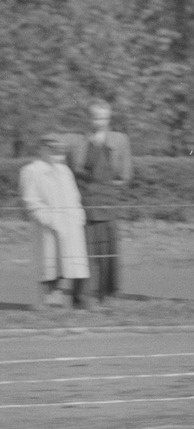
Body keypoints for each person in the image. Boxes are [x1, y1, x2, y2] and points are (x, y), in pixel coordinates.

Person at [69, 99, 133, 303]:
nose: (101, 121)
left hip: (107, 203)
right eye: (97, 117)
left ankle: (108, 295)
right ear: (89, 118)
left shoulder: (120, 140)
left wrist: (109, 188)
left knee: (108, 252)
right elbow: (73, 173)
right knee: (84, 252)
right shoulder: (78, 143)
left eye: (105, 117)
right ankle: (81, 297)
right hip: (85, 203)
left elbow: (125, 174)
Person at [20, 133, 90, 308]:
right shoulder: (31, 171)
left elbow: (75, 195)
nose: (58, 155)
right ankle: (47, 300)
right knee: (49, 263)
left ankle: (73, 301)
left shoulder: (64, 171)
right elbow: (31, 201)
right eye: (53, 151)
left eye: (60, 151)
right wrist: (48, 219)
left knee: (71, 262)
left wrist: (78, 215)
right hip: (48, 226)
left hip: (70, 224)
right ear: (43, 150)